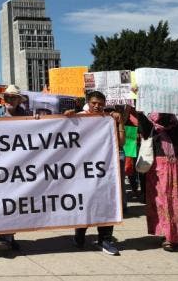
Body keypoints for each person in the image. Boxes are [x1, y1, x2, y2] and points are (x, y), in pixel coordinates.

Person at [135, 91, 178, 252]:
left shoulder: (176, 128)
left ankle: (171, 237)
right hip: (155, 171)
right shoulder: (153, 128)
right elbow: (141, 117)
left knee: (171, 203)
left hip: (170, 169)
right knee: (159, 203)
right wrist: (138, 98)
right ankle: (164, 232)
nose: (163, 116)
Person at [64, 91, 123, 256]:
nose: (97, 106)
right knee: (85, 202)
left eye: (100, 104)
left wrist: (119, 123)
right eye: (94, 103)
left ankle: (105, 239)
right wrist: (66, 117)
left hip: (104, 170)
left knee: (106, 202)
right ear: (88, 103)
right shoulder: (79, 117)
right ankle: (80, 234)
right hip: (82, 170)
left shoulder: (108, 119)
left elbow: (121, 142)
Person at [0, 84, 29, 251]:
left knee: (15, 202)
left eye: (14, 97)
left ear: (19, 100)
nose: (11, 100)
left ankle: (10, 236)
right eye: (8, 97)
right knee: (2, 200)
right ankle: (3, 235)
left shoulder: (25, 115)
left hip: (18, 165)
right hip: (0, 164)